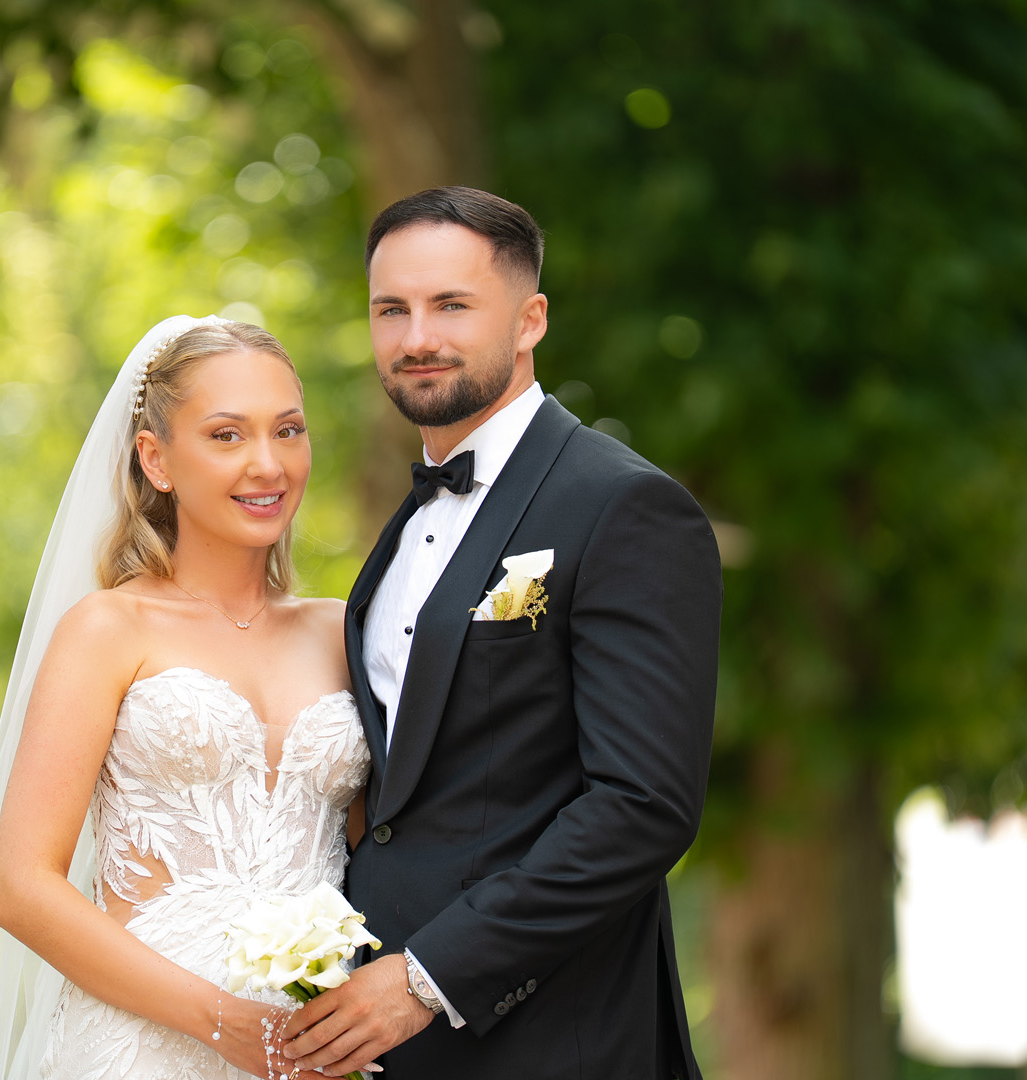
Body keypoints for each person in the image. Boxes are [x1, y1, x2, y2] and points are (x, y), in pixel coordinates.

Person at [281, 187, 723, 1079]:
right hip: (384, 1041)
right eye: (391, 310)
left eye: (452, 305)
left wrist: (429, 977)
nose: (417, 338)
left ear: (530, 321)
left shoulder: (625, 507)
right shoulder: (406, 526)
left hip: (557, 1036)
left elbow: (642, 807)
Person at [0, 315, 373, 1080]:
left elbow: (382, 853)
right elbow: (22, 888)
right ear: (155, 459)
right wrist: (225, 1023)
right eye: (227, 435)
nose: (268, 464)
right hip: (140, 1050)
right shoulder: (107, 629)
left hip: (310, 1054)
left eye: (288, 431)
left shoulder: (344, 632)